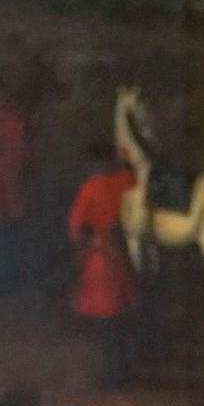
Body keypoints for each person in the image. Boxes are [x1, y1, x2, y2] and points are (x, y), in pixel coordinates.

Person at [67, 142, 140, 386]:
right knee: (123, 319)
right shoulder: (127, 180)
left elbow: (77, 228)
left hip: (102, 261)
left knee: (108, 322)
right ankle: (125, 371)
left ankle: (114, 374)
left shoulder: (90, 188)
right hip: (127, 256)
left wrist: (91, 242)